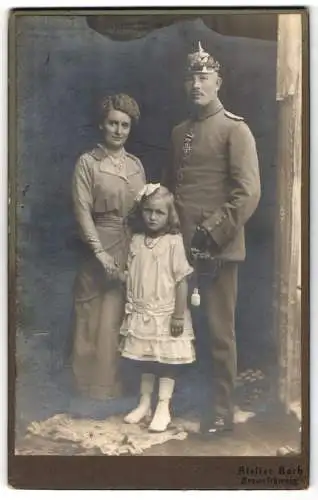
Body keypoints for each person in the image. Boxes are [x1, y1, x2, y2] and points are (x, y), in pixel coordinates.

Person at [162, 42, 261, 436]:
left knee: (219, 332)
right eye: (191, 78)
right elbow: (172, 187)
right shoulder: (178, 132)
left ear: (219, 82)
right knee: (180, 326)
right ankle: (186, 400)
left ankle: (222, 410)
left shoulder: (236, 129)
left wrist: (212, 232)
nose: (196, 84)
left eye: (204, 78)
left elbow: (248, 192)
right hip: (177, 246)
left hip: (215, 246)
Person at [71, 94, 146, 400]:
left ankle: (113, 391)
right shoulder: (88, 163)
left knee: (118, 319)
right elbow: (81, 210)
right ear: (102, 124)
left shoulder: (136, 165)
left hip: (130, 246)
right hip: (98, 244)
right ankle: (86, 393)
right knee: (91, 316)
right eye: (113, 123)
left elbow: (146, 210)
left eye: (125, 125)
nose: (118, 130)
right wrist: (99, 253)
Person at [119, 184, 195, 432]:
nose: (153, 217)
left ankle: (163, 406)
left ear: (169, 215)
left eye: (159, 213)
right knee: (146, 358)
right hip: (143, 311)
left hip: (166, 312)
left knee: (166, 360)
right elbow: (133, 273)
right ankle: (144, 403)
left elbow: (182, 280)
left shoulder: (173, 242)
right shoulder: (137, 240)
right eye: (148, 211)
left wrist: (178, 315)